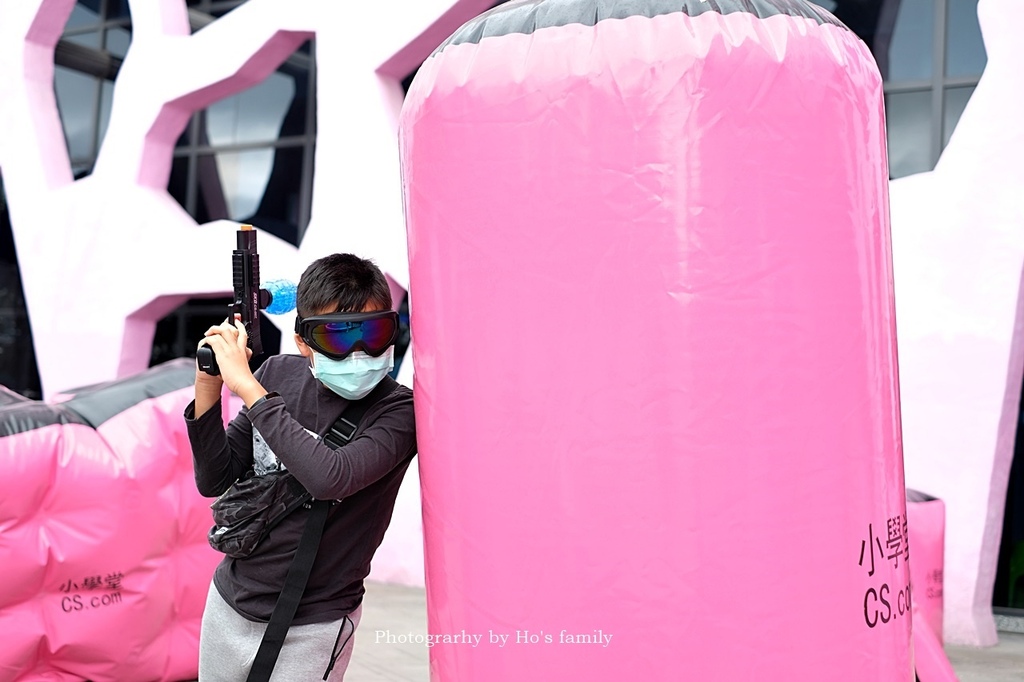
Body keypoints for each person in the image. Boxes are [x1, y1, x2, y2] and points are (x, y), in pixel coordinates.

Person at [184, 253, 417, 681]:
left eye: (374, 331)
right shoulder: (277, 373)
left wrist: (249, 389)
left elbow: (330, 478)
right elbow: (214, 478)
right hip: (230, 602)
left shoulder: (399, 411)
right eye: (337, 336)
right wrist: (209, 385)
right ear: (303, 341)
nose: (360, 351)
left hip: (315, 623)